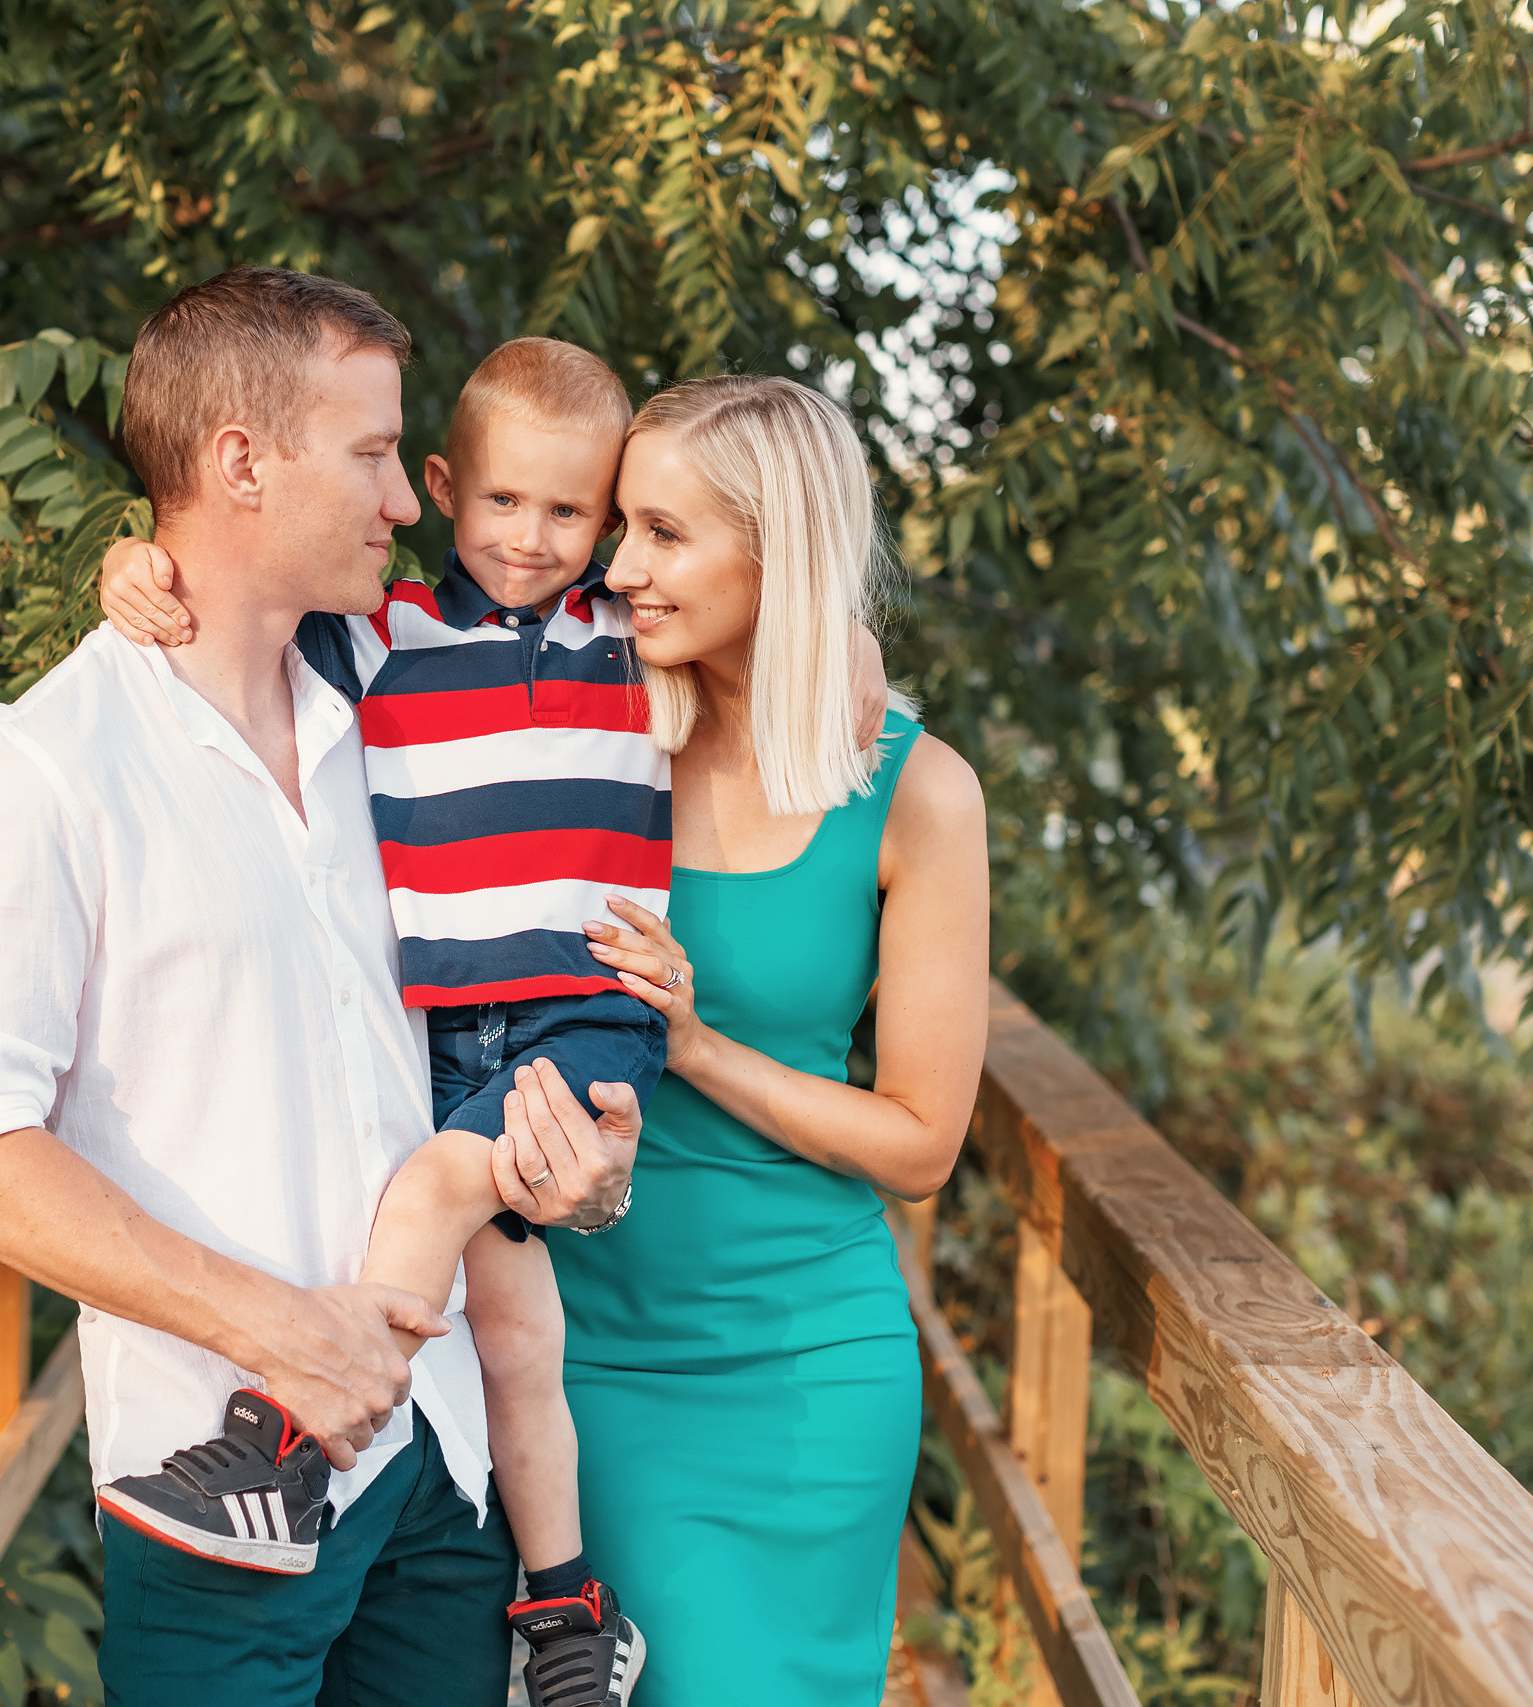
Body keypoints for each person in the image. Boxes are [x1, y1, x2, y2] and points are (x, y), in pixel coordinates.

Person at [95, 336, 892, 1707]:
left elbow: (809, 644)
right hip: (450, 1034)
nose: (542, 541)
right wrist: (135, 569)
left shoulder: (620, 645)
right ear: (450, 488)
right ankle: (566, 1608)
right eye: (507, 505)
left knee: (432, 1186)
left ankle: (286, 1439)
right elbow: (242, 607)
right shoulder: (387, 637)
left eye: (579, 514)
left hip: (586, 1018)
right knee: (517, 1331)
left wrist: (851, 636)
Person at [0, 267, 638, 1707]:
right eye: (368, 455)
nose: (406, 502)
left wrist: (586, 1170)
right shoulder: (45, 770)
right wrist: (275, 1328)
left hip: (447, 1457)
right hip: (226, 1493)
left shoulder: (403, 714)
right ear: (241, 462)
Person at [549, 376, 991, 1704]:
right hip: (574, 1355)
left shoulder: (918, 792)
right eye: (623, 526)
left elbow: (920, 1143)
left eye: (666, 535)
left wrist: (693, 1045)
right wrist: (142, 567)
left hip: (807, 1370)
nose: (620, 568)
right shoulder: (582, 720)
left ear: (777, 550)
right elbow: (370, 640)